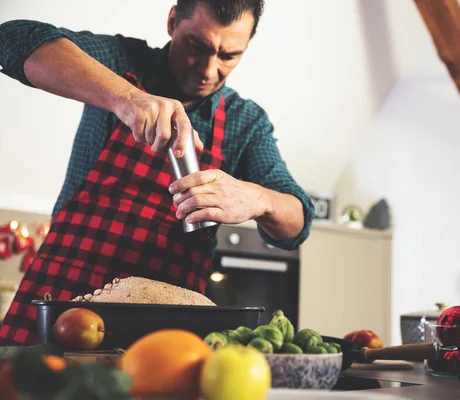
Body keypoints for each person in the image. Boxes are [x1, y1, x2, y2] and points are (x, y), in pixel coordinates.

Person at [0, 0, 314, 345]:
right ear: (172, 21)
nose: (209, 71)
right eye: (197, 46)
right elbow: (12, 39)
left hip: (166, 328)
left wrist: (256, 199)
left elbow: (297, 221)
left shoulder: (246, 122)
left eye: (228, 56)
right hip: (61, 301)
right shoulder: (123, 62)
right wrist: (126, 98)